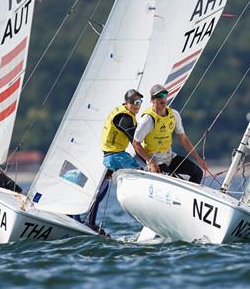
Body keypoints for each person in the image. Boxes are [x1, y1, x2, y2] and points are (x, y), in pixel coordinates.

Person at [83, 89, 145, 233]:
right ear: (127, 103)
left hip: (111, 155)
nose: (137, 105)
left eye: (139, 102)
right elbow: (136, 144)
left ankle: (90, 222)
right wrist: (151, 162)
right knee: (143, 175)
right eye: (134, 102)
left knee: (100, 189)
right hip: (116, 156)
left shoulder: (122, 112)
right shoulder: (125, 118)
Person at [132, 84, 208, 183]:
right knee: (173, 181)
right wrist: (151, 163)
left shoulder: (174, 115)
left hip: (169, 156)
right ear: (152, 100)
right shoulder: (147, 119)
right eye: (159, 96)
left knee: (197, 172)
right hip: (155, 159)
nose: (162, 98)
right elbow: (136, 144)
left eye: (164, 95)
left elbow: (183, 139)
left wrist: (198, 159)